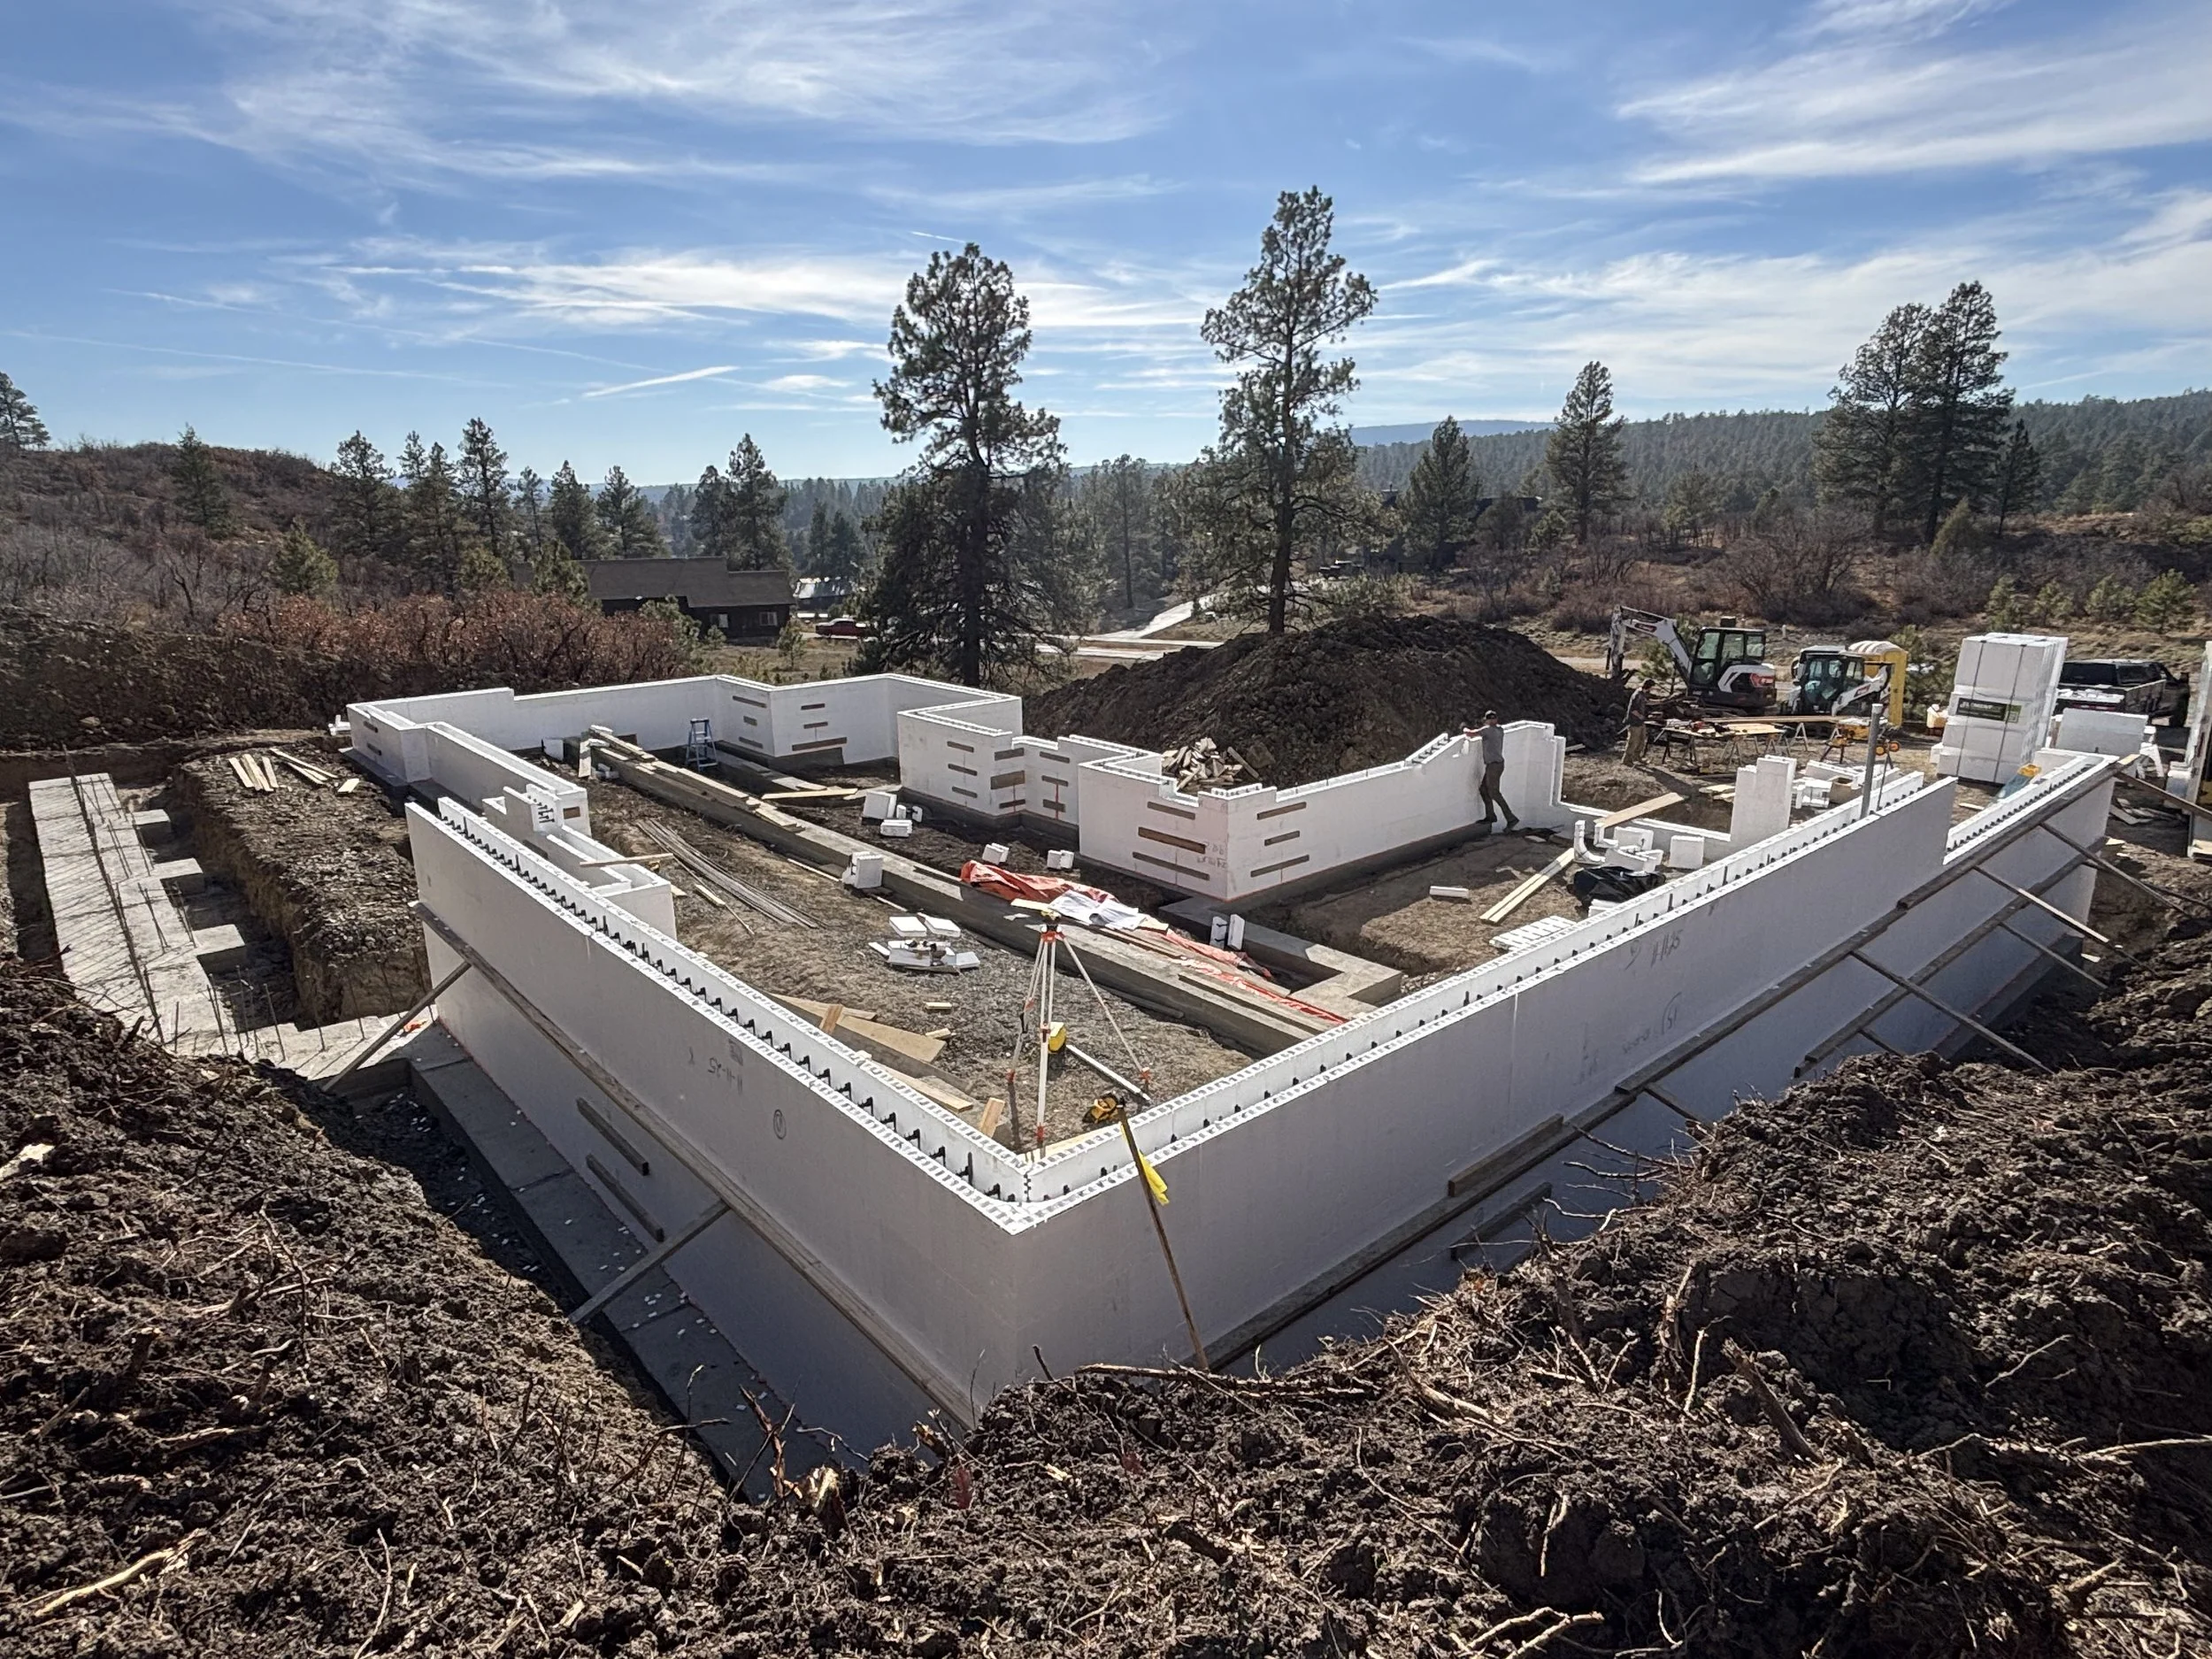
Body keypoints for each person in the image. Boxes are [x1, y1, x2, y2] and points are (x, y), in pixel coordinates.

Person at [1471, 710, 1517, 831]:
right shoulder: (1500, 730)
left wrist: (1464, 728)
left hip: (1493, 766)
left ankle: (1511, 818)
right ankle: (1490, 815)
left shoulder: (1487, 730)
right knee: (1484, 789)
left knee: (1494, 793)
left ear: (1486, 720)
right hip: (1497, 765)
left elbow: (1471, 734)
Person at [1624, 679, 1652, 766]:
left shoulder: (1642, 694)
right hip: (1634, 722)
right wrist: (1640, 716)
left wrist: (1661, 701)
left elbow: (1646, 702)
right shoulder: (1637, 694)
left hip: (1640, 722)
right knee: (1633, 741)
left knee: (1641, 740)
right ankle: (1627, 760)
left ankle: (1637, 757)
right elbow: (1633, 710)